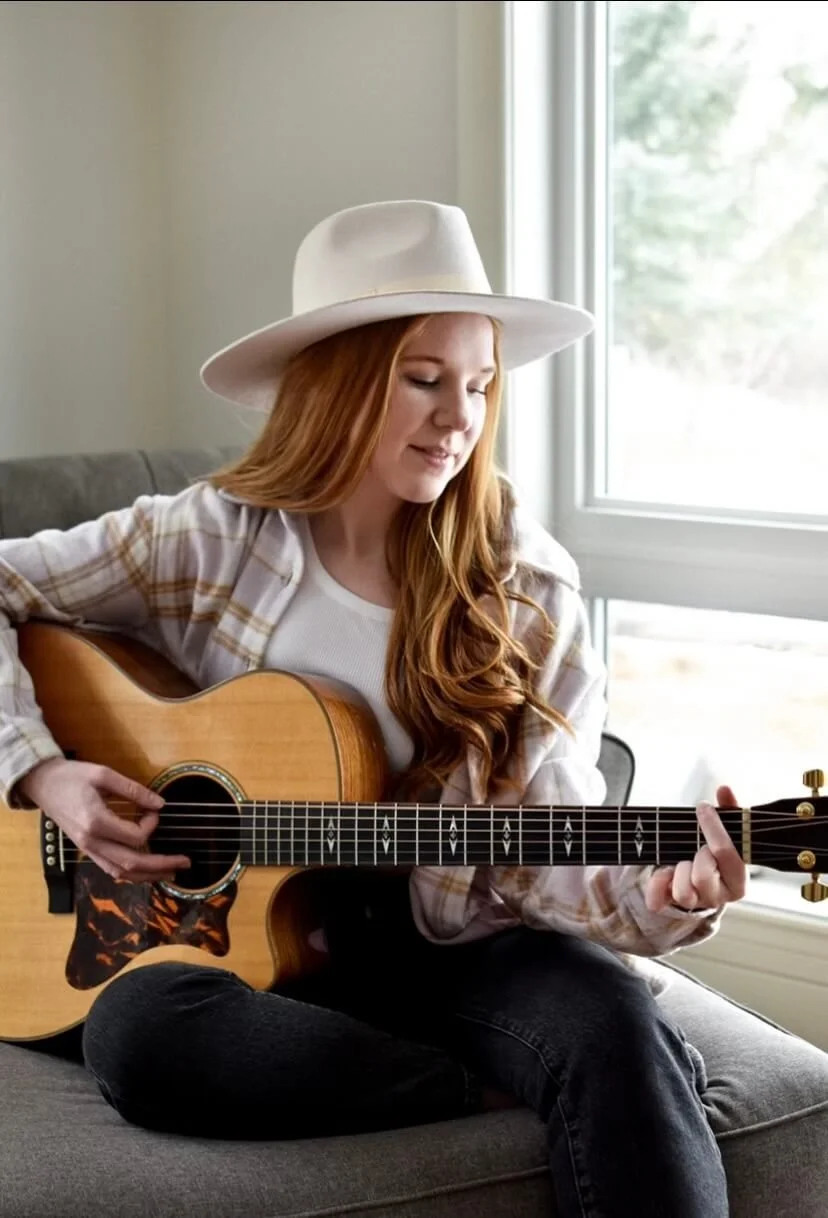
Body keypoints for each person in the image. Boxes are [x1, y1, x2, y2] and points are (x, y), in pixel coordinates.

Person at [1, 200, 748, 1217]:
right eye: (425, 380)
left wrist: (660, 900)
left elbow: (545, 834)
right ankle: (468, 1087)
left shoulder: (527, 585)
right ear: (338, 384)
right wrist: (41, 768)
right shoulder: (210, 537)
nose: (459, 421)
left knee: (609, 1018)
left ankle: (533, 1072)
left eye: (481, 386)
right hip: (251, 954)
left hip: (458, 943)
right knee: (141, 1032)